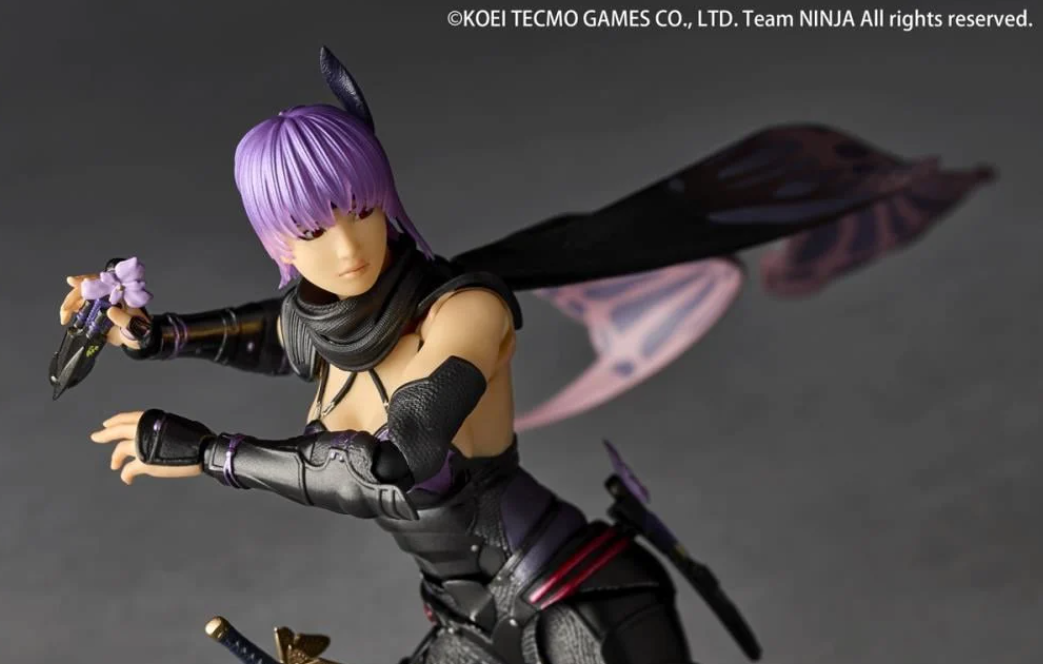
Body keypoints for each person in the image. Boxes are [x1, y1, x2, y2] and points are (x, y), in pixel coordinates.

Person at [57, 48, 993, 664]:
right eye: (310, 230)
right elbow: (269, 334)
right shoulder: (319, 324)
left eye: (362, 210)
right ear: (276, 241)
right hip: (467, 623)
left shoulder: (466, 310)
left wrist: (214, 454)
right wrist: (150, 333)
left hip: (579, 608)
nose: (346, 248)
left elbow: (394, 463)